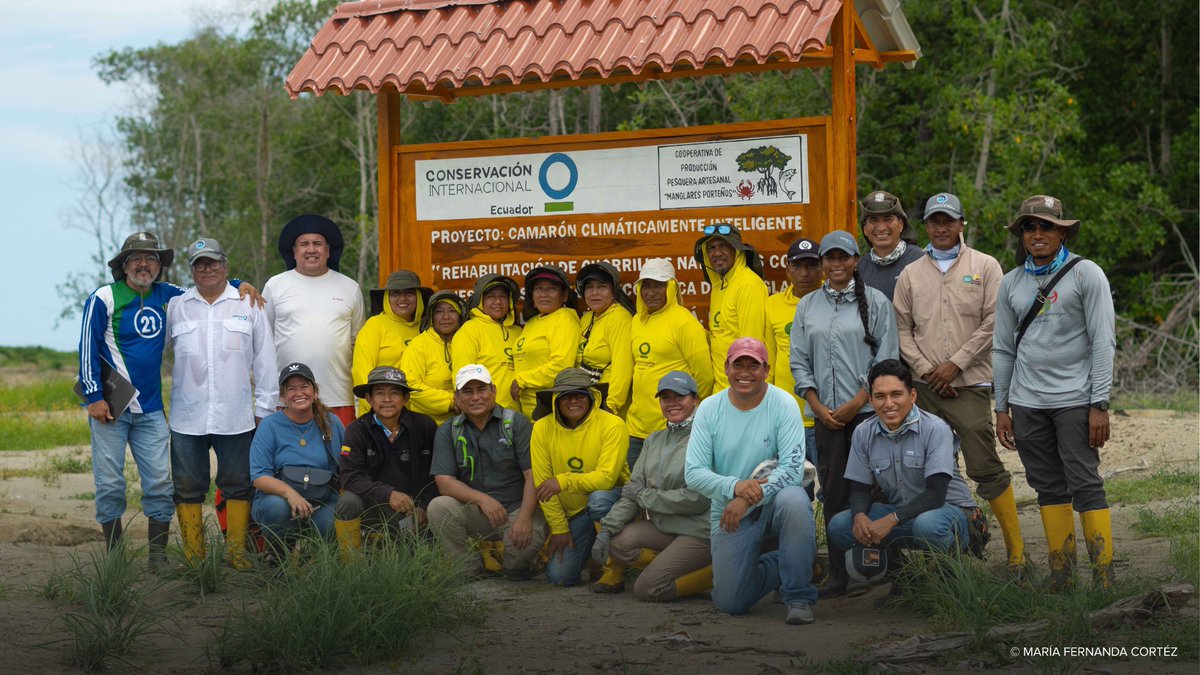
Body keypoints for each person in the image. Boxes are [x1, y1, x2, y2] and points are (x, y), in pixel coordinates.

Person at [80, 232, 260, 567]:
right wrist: (93, 396)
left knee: (161, 484)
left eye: (151, 259)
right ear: (123, 265)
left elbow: (209, 285)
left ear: (159, 266)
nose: (144, 265)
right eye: (136, 259)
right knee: (110, 484)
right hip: (111, 407)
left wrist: (239, 283)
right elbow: (86, 346)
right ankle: (116, 559)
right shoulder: (104, 297)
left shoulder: (169, 296)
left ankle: (158, 559)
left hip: (150, 410)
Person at [893, 193, 1026, 575]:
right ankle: (944, 550)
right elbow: (901, 328)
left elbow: (996, 321)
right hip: (923, 387)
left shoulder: (985, 266)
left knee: (984, 465)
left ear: (961, 223)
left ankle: (1017, 553)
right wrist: (927, 369)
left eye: (948, 220)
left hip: (969, 384)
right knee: (928, 467)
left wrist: (956, 364)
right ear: (925, 226)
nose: (941, 228)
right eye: (934, 221)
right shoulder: (910, 274)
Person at [993, 195, 1116, 589]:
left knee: (1085, 482)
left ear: (1062, 232)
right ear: (1022, 234)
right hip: (1026, 403)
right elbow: (1003, 349)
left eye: (1047, 226)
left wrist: (1100, 403)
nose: (1038, 233)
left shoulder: (1086, 274)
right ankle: (1062, 573)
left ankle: (1104, 576)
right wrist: (1001, 407)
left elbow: (1103, 341)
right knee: (1046, 485)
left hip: (1076, 400)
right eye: (1030, 227)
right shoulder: (1011, 282)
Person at [790, 230, 898, 597]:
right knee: (833, 491)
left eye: (843, 257)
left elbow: (887, 358)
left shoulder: (877, 302)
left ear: (855, 260)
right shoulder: (807, 306)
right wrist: (817, 405)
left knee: (875, 491)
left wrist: (858, 401)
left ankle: (883, 570)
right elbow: (799, 360)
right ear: (822, 263)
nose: (836, 264)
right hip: (827, 418)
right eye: (830, 258)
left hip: (868, 415)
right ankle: (839, 574)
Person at [685, 338, 817, 624]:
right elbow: (693, 472)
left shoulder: (784, 404)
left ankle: (798, 596)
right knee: (729, 602)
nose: (745, 373)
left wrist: (745, 498)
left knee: (795, 499)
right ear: (726, 368)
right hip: (729, 510)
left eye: (753, 366)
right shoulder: (709, 408)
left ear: (766, 370)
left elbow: (793, 470)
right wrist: (734, 487)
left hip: (771, 502)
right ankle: (787, 561)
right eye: (738, 365)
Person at [827, 360, 979, 599]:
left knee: (928, 526)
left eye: (896, 394)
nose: (888, 404)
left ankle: (952, 581)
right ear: (870, 400)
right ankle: (905, 580)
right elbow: (859, 487)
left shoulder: (935, 429)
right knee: (840, 526)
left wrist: (892, 520)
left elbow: (936, 494)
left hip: (951, 514)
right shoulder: (863, 432)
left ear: (913, 396)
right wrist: (859, 516)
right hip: (904, 515)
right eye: (880, 396)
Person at [167, 238, 276, 569]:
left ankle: (237, 553)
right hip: (187, 418)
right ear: (192, 271)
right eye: (200, 263)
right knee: (187, 488)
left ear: (225, 266)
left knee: (239, 485)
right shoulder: (176, 306)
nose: (207, 268)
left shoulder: (249, 304)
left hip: (236, 417)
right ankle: (194, 557)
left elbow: (266, 361)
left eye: (213, 262)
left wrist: (265, 411)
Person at [592, 371, 712, 601]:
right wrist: (606, 529)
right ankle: (673, 568)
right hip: (663, 527)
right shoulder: (653, 440)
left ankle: (711, 575)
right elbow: (631, 492)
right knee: (616, 542)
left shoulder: (707, 438)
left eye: (680, 396)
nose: (672, 402)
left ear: (695, 399)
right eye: (666, 397)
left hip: (698, 531)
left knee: (647, 589)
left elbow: (697, 499)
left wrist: (644, 496)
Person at [428, 364, 547, 578]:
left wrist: (524, 518)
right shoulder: (448, 430)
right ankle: (468, 568)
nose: (476, 397)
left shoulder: (516, 423)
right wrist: (483, 500)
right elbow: (444, 482)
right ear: (456, 398)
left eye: (481, 389)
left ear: (494, 390)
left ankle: (518, 564)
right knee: (438, 507)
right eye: (467, 391)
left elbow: (533, 476)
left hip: (516, 510)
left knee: (516, 566)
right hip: (475, 512)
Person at [263, 214, 365, 427]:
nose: (311, 249)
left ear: (328, 251)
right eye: (304, 244)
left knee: (341, 450)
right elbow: (264, 341)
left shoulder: (350, 287)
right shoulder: (275, 285)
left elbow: (359, 343)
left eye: (318, 243)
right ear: (294, 251)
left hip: (339, 398)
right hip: (288, 399)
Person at [531, 368, 629, 587]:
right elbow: (543, 484)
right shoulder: (541, 428)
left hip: (612, 504)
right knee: (560, 578)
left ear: (592, 397)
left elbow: (606, 479)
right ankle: (593, 555)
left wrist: (563, 481)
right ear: (556, 400)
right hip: (574, 515)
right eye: (566, 395)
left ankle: (613, 568)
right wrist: (559, 528)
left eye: (580, 394)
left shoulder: (613, 424)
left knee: (599, 499)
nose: (573, 400)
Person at [334, 367, 438, 556]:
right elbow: (349, 477)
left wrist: (423, 507)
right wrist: (388, 494)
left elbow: (436, 475)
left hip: (412, 508)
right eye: (380, 393)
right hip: (373, 504)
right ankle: (350, 562)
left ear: (405, 398)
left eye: (395, 393)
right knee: (347, 501)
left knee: (412, 557)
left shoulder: (425, 426)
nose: (387, 399)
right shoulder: (357, 430)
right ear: (369, 399)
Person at [628, 258, 713, 470]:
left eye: (659, 285)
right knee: (636, 486)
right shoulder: (637, 321)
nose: (651, 292)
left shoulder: (684, 321)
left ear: (672, 287)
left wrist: (686, 414)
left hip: (670, 427)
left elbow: (704, 376)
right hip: (636, 428)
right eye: (646, 286)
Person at [250, 363, 346, 545]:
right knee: (275, 509)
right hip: (279, 498)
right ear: (282, 397)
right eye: (291, 389)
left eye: (304, 386)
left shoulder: (331, 422)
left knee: (329, 524)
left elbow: (347, 466)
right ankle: (280, 555)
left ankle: (321, 559)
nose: (299, 393)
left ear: (315, 391)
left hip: (324, 497)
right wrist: (290, 494)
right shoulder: (269, 425)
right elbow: (259, 476)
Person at [764, 237, 822, 464]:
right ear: (788, 269)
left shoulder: (833, 301)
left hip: (824, 416)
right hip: (786, 417)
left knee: (826, 483)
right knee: (789, 481)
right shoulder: (772, 305)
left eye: (812, 265)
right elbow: (768, 360)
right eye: (797, 266)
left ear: (822, 268)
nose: (804, 273)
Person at [694, 223, 768, 391]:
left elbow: (751, 349)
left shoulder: (747, 285)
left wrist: (744, 394)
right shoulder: (719, 285)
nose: (717, 253)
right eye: (711, 248)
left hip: (740, 393)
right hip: (721, 391)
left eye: (723, 246)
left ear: (737, 250)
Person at [352, 270, 431, 416]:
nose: (402, 299)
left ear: (419, 297)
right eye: (395, 293)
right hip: (381, 412)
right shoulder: (374, 326)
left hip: (419, 414)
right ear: (387, 297)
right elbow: (361, 374)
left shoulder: (426, 328)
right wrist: (375, 413)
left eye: (409, 293)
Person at [512, 265, 581, 417]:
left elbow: (561, 367)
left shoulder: (564, 319)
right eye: (538, 289)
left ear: (564, 296)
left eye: (551, 289)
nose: (544, 294)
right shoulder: (531, 323)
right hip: (527, 410)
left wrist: (522, 380)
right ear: (532, 296)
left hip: (551, 409)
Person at [452, 274, 523, 411]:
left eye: (503, 296)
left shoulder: (518, 333)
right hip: (486, 414)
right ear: (480, 300)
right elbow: (461, 376)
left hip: (519, 413)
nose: (498, 302)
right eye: (491, 296)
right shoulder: (470, 330)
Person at [575, 262, 635, 416]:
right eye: (589, 287)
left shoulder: (619, 318)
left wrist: (611, 406)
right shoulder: (586, 319)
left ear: (614, 291)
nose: (594, 292)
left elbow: (623, 367)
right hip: (586, 397)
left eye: (601, 287)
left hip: (608, 401)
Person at [401, 291, 466, 424]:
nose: (446, 317)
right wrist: (451, 401)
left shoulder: (468, 342)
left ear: (460, 316)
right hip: (426, 425)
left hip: (465, 423)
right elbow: (411, 386)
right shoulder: (418, 345)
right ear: (431, 316)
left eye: (452, 311)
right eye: (439, 311)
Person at [855, 190, 923, 300]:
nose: (881, 228)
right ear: (865, 229)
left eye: (888, 219)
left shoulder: (920, 260)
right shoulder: (860, 268)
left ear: (901, 224)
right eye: (874, 220)